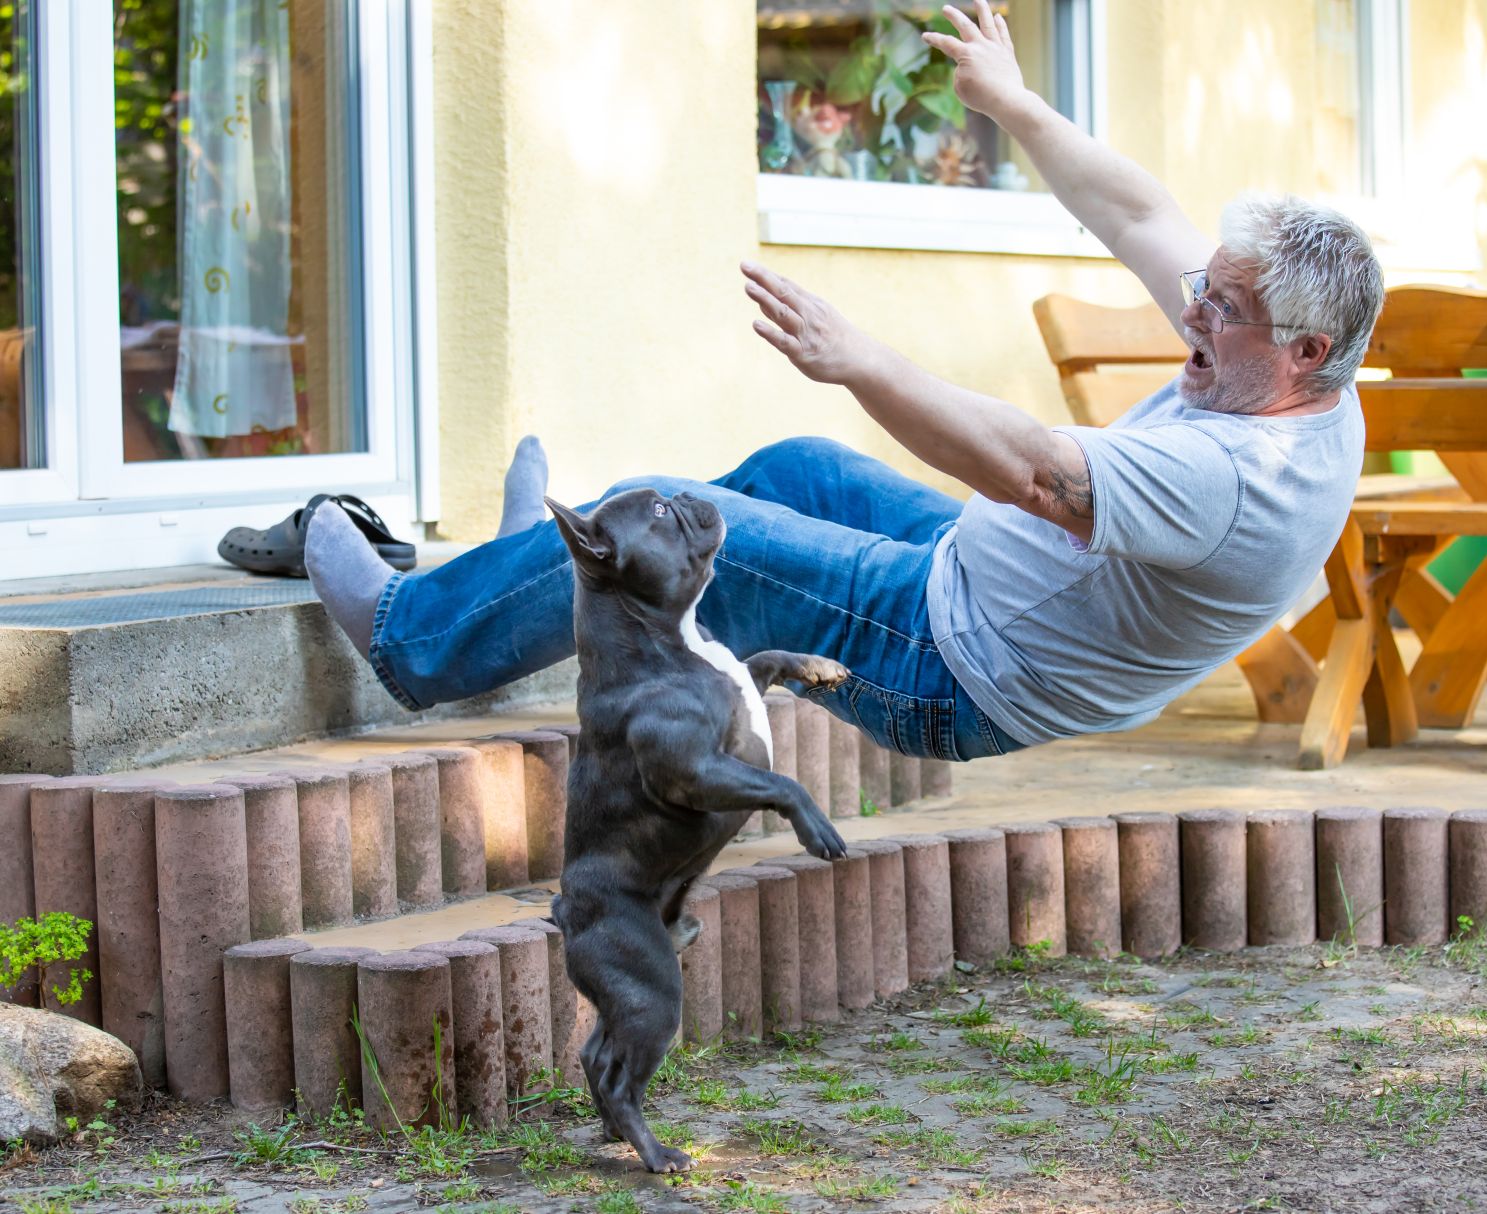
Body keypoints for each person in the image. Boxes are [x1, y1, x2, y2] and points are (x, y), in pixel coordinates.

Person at [305, 0, 1382, 763]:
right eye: (1210, 290)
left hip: (948, 668)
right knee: (798, 470)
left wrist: (858, 359)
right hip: (968, 588)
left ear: (1300, 350)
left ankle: (414, 638)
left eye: (1222, 308)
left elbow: (1033, 473)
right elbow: (1143, 215)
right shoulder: (1292, 367)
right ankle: (528, 588)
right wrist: (1011, 104)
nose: (1193, 309)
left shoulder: (1241, 473)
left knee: (666, 516)